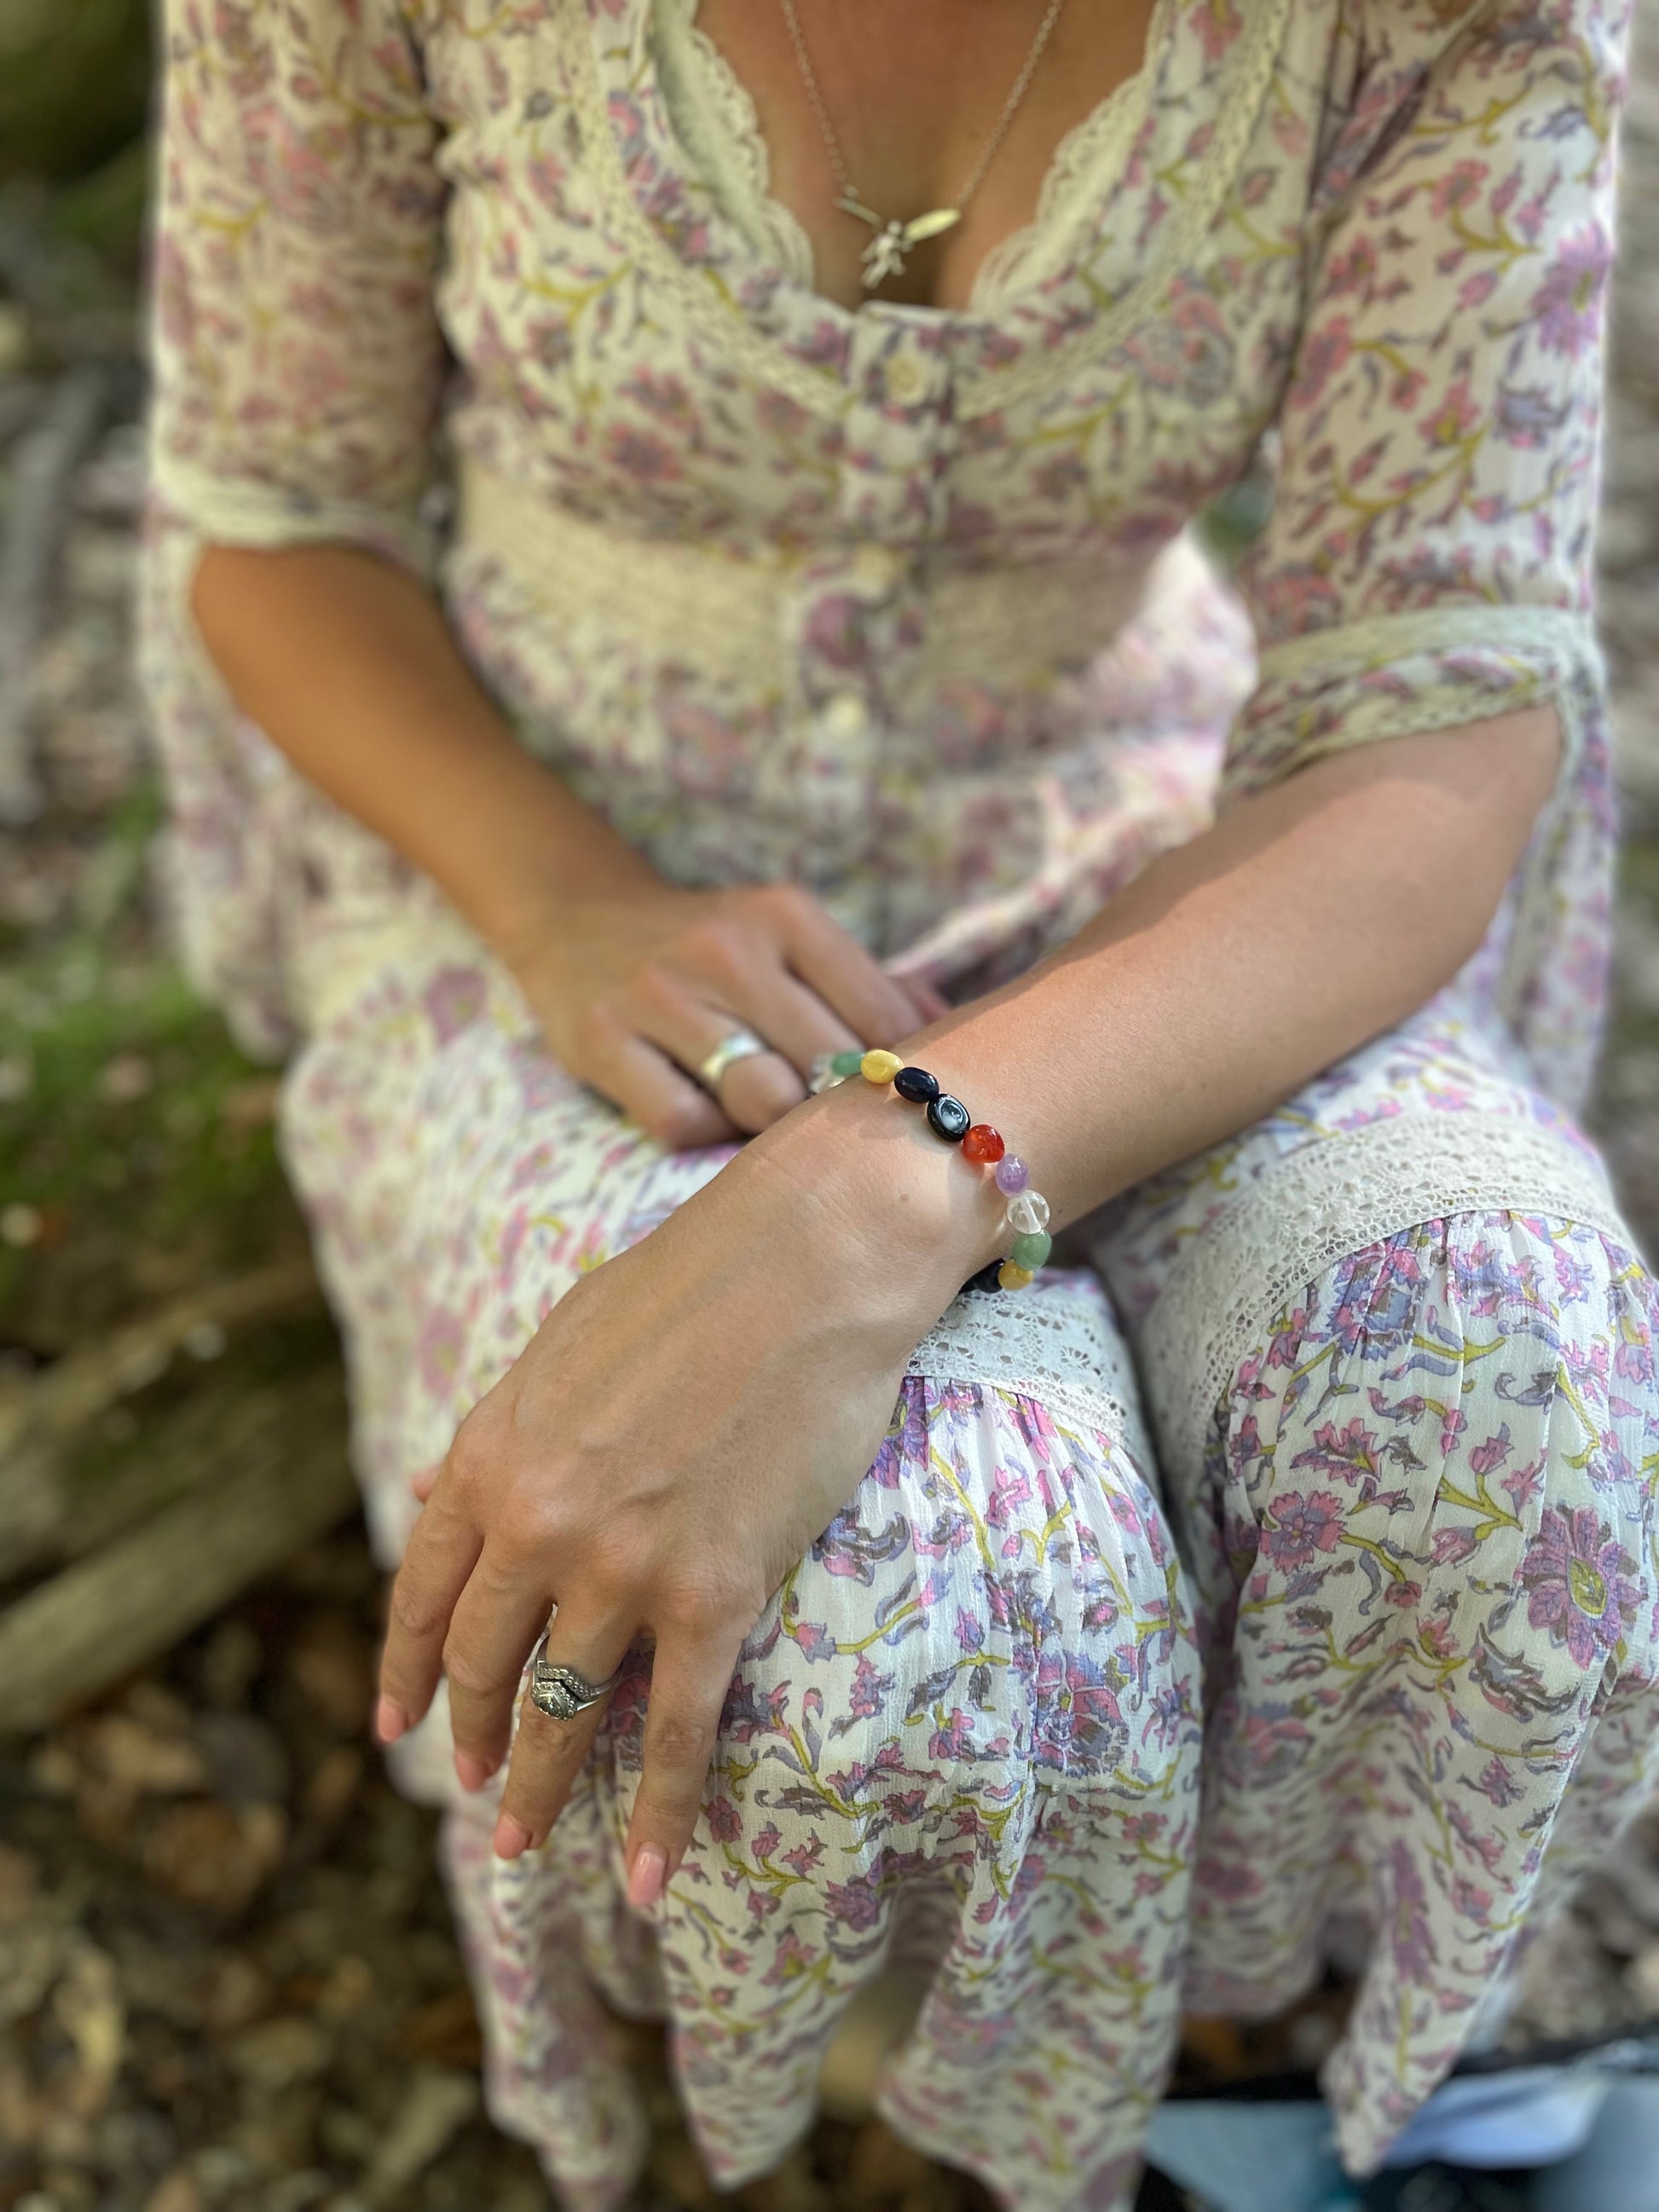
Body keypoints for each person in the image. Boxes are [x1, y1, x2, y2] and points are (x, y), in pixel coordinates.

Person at [140, 0, 1658, 2203]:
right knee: (931, 1576)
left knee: (1490, 1352)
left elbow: (1429, 703)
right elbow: (278, 523)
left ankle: (1246, 2016)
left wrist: (883, 1182)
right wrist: (562, 902)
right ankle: (894, 2045)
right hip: (553, 876)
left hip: (1151, 857)